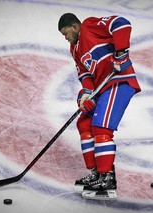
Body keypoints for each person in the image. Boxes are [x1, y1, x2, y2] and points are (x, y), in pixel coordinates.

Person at [58, 13, 141, 200]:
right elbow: (85, 74)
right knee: (84, 124)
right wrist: (86, 95)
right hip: (102, 88)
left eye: (66, 33)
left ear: (75, 26)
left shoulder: (89, 26)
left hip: (119, 82)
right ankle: (96, 173)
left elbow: (121, 23)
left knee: (101, 127)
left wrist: (121, 52)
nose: (66, 38)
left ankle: (107, 178)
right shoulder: (74, 49)